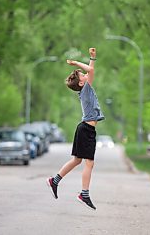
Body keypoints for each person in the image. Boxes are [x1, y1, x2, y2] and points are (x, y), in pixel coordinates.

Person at [47, 48, 105, 210]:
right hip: (86, 129)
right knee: (89, 163)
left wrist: (93, 57)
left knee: (77, 160)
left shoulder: (86, 88)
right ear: (81, 83)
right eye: (83, 76)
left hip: (85, 129)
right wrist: (77, 63)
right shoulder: (86, 90)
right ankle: (84, 194)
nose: (87, 76)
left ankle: (55, 180)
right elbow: (91, 70)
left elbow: (91, 71)